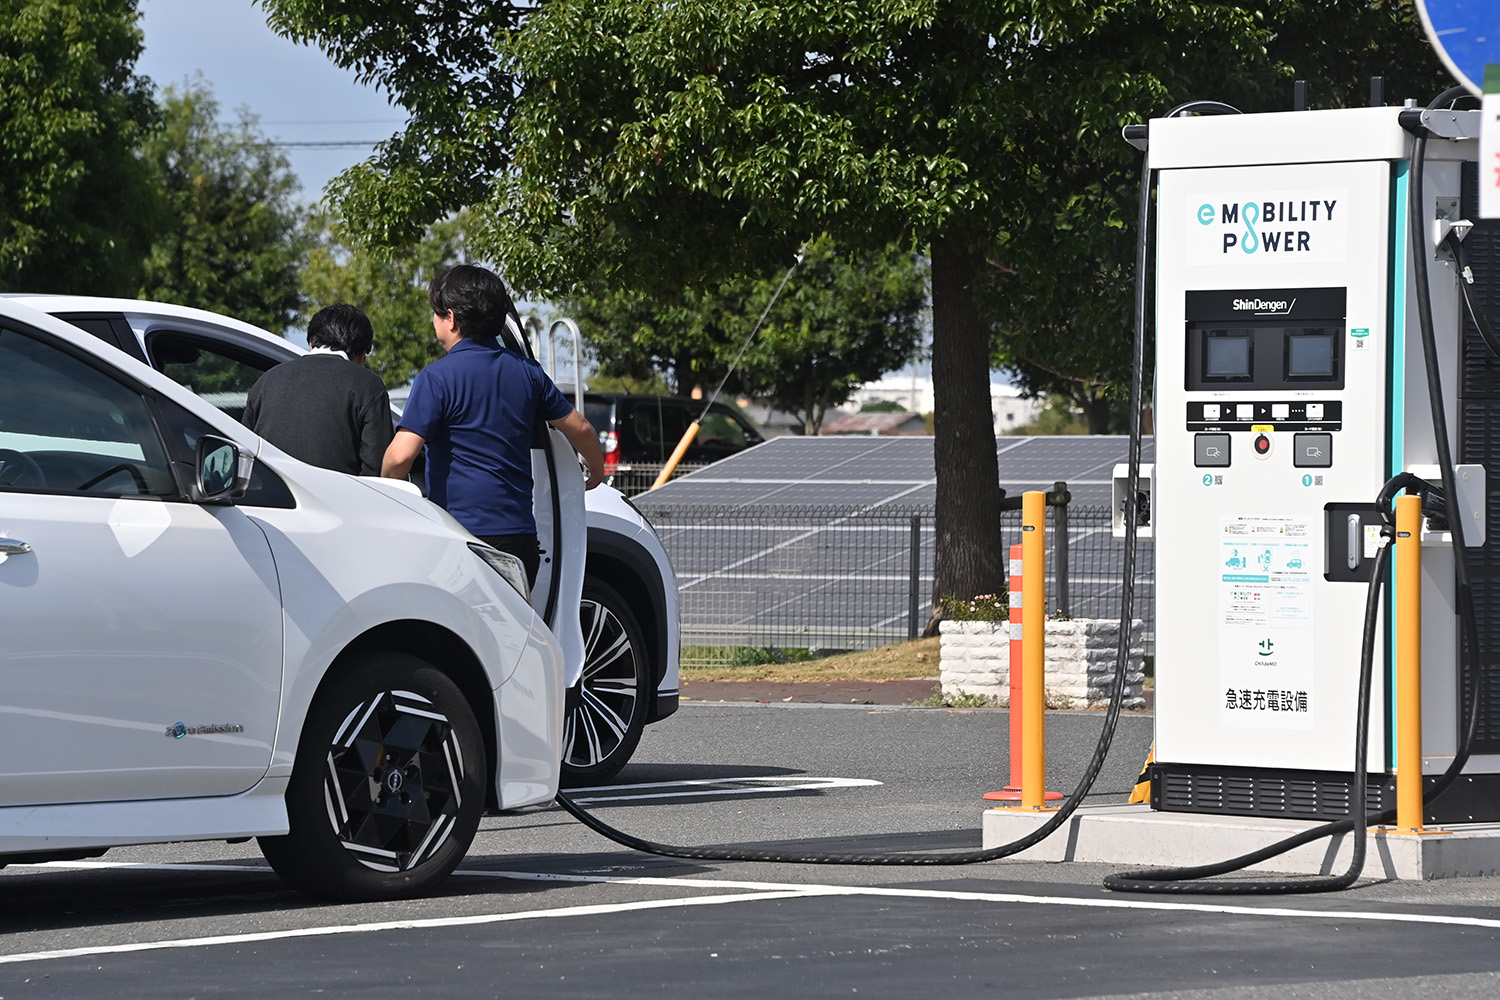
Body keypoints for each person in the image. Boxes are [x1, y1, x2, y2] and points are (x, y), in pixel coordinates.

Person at [382, 264, 605, 585]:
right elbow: (581, 428)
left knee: (458, 632)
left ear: (451, 318)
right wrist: (596, 470)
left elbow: (401, 457)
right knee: (512, 632)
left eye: (435, 313)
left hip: (459, 536)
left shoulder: (436, 378)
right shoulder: (528, 373)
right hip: (518, 537)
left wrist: (388, 492)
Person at [243, 304, 394, 476]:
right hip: (338, 499)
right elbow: (378, 467)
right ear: (362, 355)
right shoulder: (367, 385)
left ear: (311, 343)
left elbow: (245, 451)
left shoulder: (266, 381)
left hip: (272, 498)